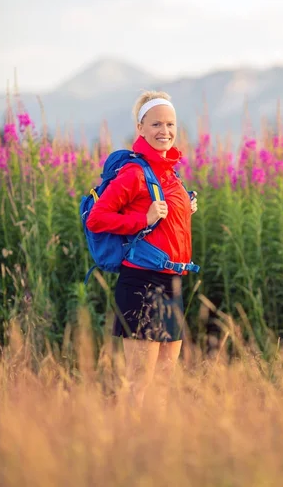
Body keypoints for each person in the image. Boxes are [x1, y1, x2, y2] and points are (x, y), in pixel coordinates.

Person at [86, 91, 198, 414]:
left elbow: (166, 226)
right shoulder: (134, 173)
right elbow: (97, 218)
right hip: (141, 283)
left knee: (163, 380)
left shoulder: (170, 173)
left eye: (170, 123)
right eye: (157, 124)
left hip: (172, 283)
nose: (165, 130)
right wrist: (142, 219)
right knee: (139, 382)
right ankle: (125, 450)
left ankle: (155, 451)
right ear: (141, 127)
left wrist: (185, 208)